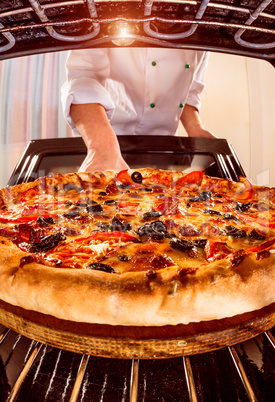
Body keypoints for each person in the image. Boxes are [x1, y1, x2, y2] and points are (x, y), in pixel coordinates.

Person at [61, 47, 215, 172]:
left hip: (165, 147)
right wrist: (101, 148)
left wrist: (195, 129)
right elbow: (83, 78)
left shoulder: (201, 22)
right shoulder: (103, 10)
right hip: (104, 139)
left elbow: (191, 89)